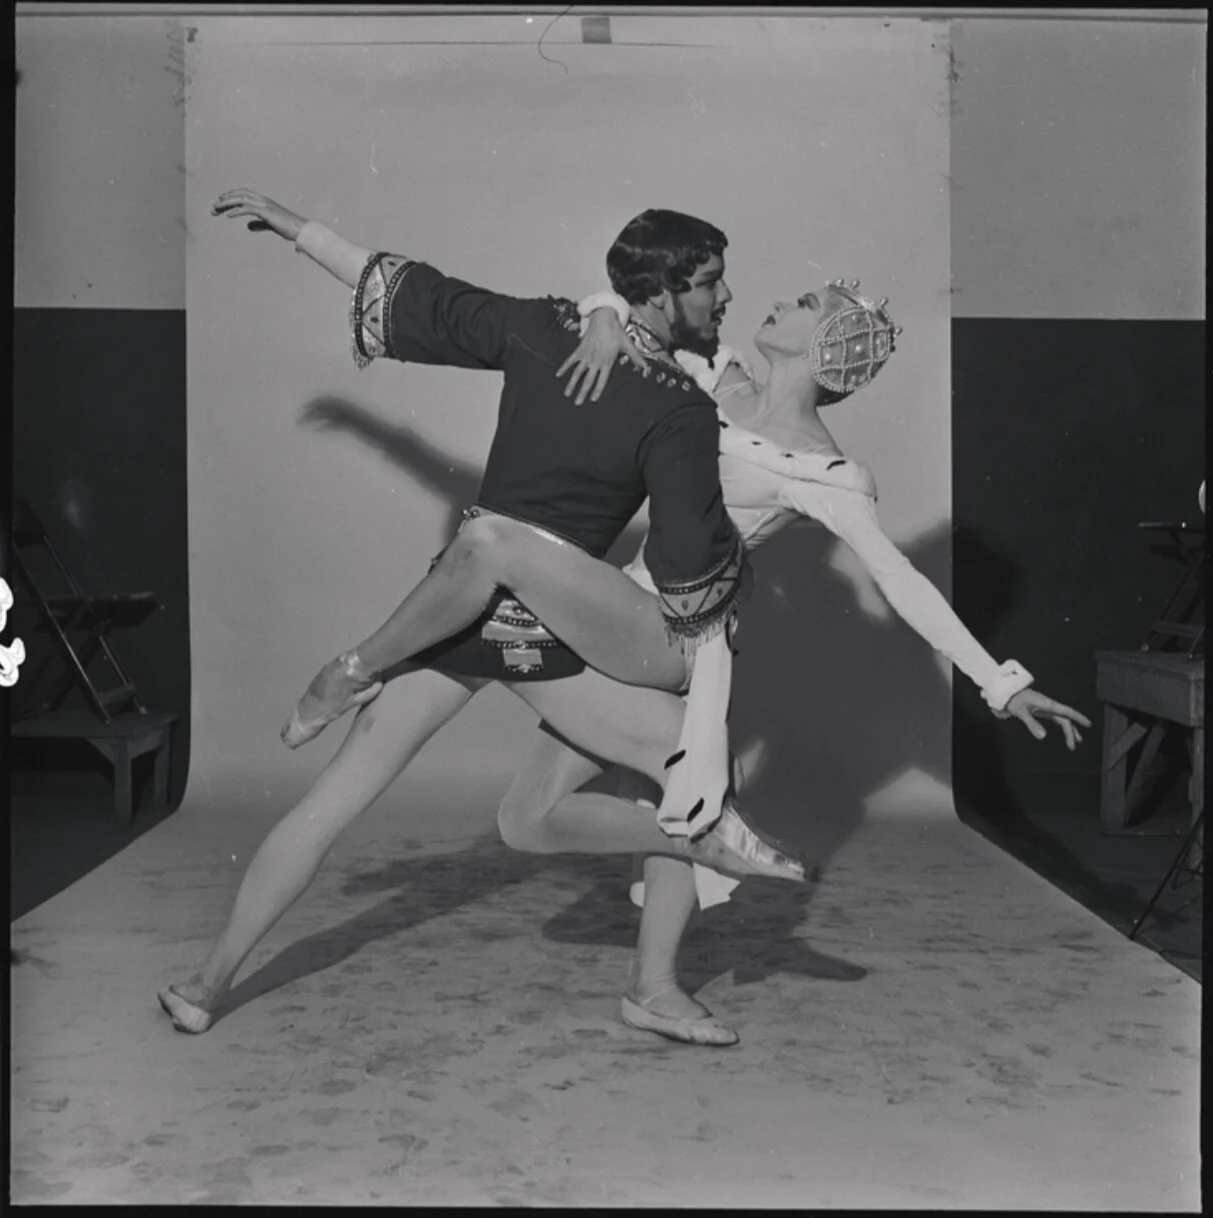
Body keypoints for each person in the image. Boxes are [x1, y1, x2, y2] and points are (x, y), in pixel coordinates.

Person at [158, 192, 804, 1049]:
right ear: (659, 294)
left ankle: (206, 985)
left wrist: (301, 230)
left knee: (331, 803)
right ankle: (655, 984)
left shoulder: (548, 329)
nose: (724, 299)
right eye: (711, 283)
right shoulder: (677, 412)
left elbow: (426, 296)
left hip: (449, 610)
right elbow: (686, 564)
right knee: (694, 789)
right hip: (545, 637)